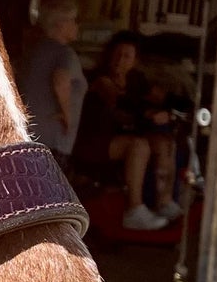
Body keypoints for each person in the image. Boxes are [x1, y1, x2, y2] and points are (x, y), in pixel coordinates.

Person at [73, 31, 181, 232]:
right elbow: (120, 107)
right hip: (93, 141)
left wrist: (169, 109)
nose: (120, 60)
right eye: (117, 54)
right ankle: (134, 209)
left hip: (119, 137)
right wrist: (149, 114)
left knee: (164, 142)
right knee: (138, 146)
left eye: (126, 56)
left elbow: (160, 97)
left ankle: (164, 201)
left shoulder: (136, 80)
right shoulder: (101, 80)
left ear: (135, 61)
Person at [19, 0, 87, 163]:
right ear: (60, 24)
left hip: (27, 135)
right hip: (53, 138)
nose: (77, 26)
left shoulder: (32, 52)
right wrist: (67, 115)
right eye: (73, 21)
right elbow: (60, 80)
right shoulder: (65, 53)